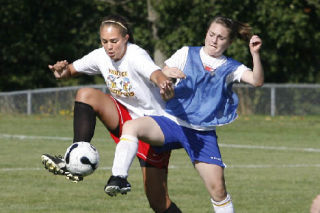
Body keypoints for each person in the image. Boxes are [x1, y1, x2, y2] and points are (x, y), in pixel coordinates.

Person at [104, 16, 264, 213]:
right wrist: (166, 72)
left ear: (229, 42)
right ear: (206, 34)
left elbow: (257, 81)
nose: (214, 40)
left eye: (221, 37)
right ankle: (118, 177)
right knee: (131, 126)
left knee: (219, 190)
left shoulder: (231, 67)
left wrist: (255, 54)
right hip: (172, 123)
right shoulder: (187, 53)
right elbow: (161, 74)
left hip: (201, 134)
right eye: (211, 34)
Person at [41, 15, 182, 213]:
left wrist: (163, 82)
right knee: (86, 94)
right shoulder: (101, 55)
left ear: (126, 38)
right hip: (124, 117)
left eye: (114, 41)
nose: (109, 47)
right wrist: (60, 71)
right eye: (104, 41)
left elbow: (155, 73)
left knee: (158, 203)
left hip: (153, 128)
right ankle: (75, 157)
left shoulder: (136, 55)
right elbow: (69, 71)